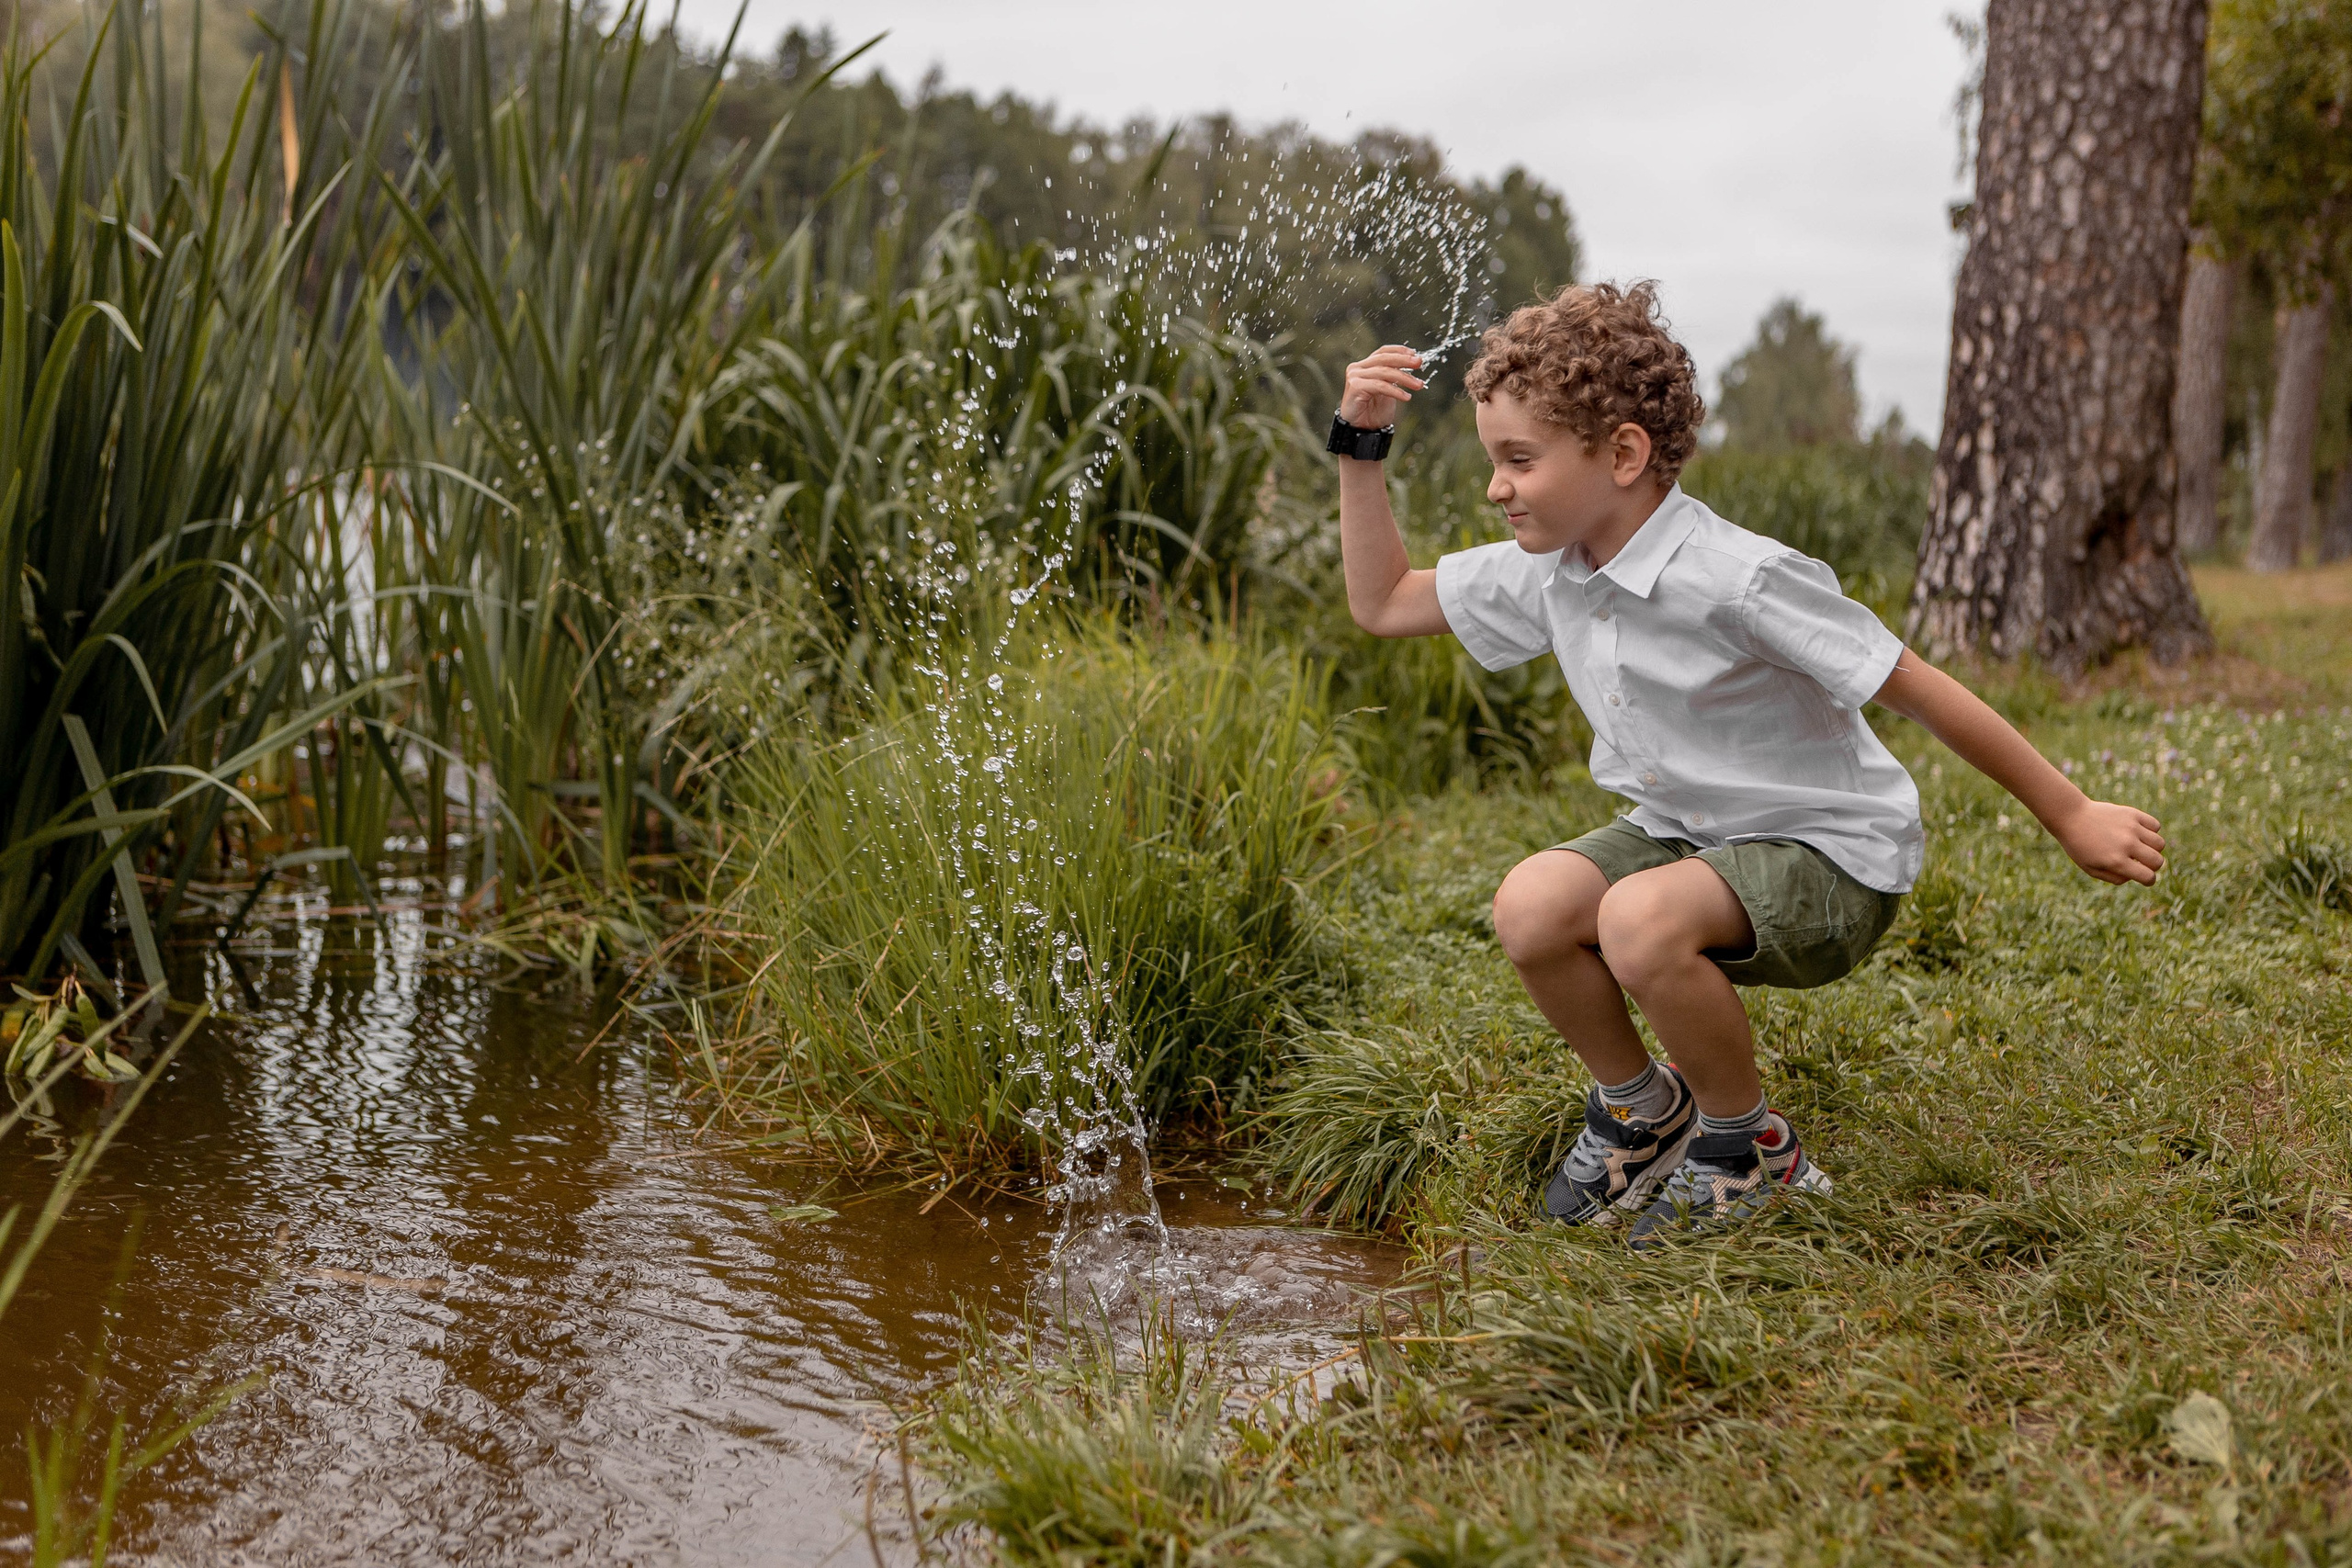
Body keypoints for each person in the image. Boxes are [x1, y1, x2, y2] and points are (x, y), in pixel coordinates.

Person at [1329, 282, 2165, 1247]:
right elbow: (1384, 600)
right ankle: (1645, 1113)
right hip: (1687, 841)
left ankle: (1748, 1148)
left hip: (1829, 859)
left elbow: (1918, 687)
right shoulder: (1554, 567)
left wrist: (2070, 813)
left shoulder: (1737, 577)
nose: (1496, 486)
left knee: (1635, 918)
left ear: (1623, 454)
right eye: (1494, 461)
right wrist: (1359, 446)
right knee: (1530, 903)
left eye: (1519, 460)